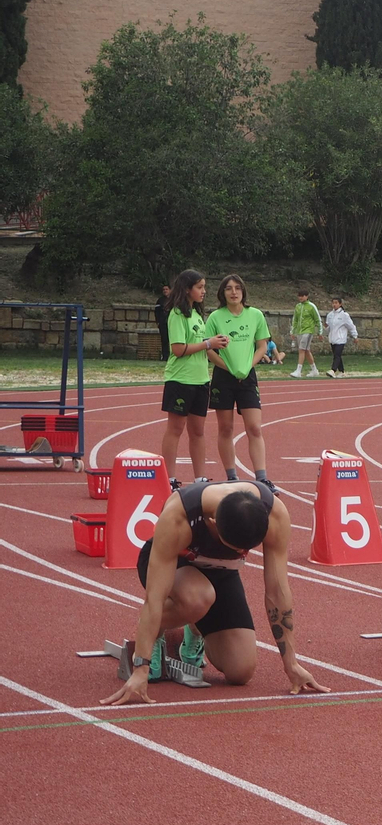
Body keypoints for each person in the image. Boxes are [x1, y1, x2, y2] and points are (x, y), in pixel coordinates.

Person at [99, 479, 329, 705]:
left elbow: (277, 590)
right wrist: (140, 666)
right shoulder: (180, 516)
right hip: (177, 567)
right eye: (236, 548)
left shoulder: (274, 514)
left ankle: (194, 629)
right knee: (199, 597)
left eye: (246, 549)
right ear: (212, 522)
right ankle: (159, 630)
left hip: (221, 573)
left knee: (241, 671)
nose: (242, 552)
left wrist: (291, 664)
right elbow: (154, 598)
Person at [204, 274, 272, 487]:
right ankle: (232, 476)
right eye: (228, 289)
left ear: (243, 292)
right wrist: (230, 368)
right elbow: (209, 350)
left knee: (254, 427)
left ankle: (262, 477)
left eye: (237, 288)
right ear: (222, 293)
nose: (233, 292)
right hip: (223, 377)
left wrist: (248, 366)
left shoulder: (255, 315)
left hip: (248, 376)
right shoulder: (215, 317)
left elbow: (262, 346)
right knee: (225, 428)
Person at [160, 269, 224, 491]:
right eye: (200, 287)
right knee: (175, 429)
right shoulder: (177, 314)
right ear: (187, 289)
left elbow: (200, 344)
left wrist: (213, 343)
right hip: (180, 379)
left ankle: (200, 479)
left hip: (200, 380)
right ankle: (168, 478)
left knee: (198, 431)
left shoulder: (197, 315)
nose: (204, 291)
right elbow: (178, 349)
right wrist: (208, 344)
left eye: (204, 287)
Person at [289, 289, 322, 379]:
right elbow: (295, 319)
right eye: (299, 296)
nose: (300, 298)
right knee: (306, 350)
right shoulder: (298, 307)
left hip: (308, 331)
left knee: (301, 350)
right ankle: (314, 370)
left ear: (307, 296)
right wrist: (292, 331)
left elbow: (317, 319)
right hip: (300, 331)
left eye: (302, 296)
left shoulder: (312, 306)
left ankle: (298, 370)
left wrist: (320, 331)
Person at [325, 295, 357, 377]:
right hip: (332, 338)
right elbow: (328, 327)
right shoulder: (330, 315)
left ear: (340, 304)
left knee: (337, 355)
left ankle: (333, 370)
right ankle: (342, 371)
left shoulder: (344, 315)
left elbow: (351, 326)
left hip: (341, 339)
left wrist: (355, 336)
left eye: (336, 303)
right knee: (337, 355)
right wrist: (324, 329)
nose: (334, 305)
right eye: (333, 303)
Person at [155, 285, 171, 361]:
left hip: (172, 323)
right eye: (163, 289)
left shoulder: (173, 300)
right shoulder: (160, 300)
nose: (165, 291)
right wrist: (158, 321)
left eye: (166, 289)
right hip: (163, 323)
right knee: (164, 340)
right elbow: (156, 312)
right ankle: (165, 356)